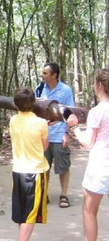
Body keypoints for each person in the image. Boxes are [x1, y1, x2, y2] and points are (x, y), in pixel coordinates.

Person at [71, 68, 109, 241]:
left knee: (89, 211)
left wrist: (74, 127)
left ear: (99, 85)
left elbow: (87, 143)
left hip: (101, 166)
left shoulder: (98, 111)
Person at [10, 87, 50, 241]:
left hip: (18, 171)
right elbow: (44, 147)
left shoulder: (13, 120)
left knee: (23, 213)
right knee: (31, 215)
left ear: (16, 105)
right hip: (35, 173)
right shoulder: (41, 123)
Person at [39, 62, 75, 208]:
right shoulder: (40, 88)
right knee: (43, 167)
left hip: (59, 134)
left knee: (63, 167)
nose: (42, 75)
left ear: (54, 75)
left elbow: (70, 113)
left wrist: (66, 133)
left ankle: (64, 195)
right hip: (44, 134)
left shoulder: (66, 90)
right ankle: (43, 194)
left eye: (45, 73)